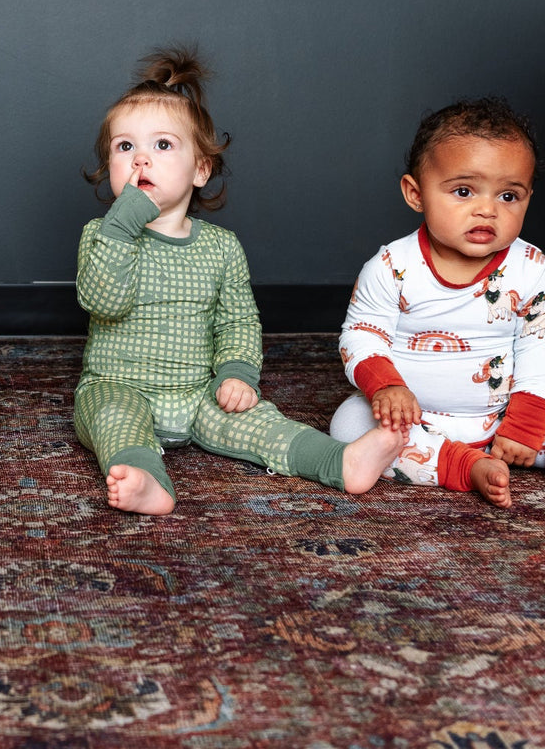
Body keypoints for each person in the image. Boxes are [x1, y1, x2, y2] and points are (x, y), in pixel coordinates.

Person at [75, 45, 404, 515]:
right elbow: (103, 301)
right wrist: (123, 222)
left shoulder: (221, 247)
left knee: (257, 421)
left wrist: (236, 374)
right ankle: (146, 478)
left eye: (162, 145)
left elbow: (238, 322)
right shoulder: (102, 234)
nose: (140, 159)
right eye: (124, 147)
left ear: (200, 169)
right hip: (117, 385)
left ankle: (338, 460)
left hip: (197, 391)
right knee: (113, 420)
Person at [330, 97, 543, 509]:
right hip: (414, 418)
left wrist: (526, 423)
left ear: (528, 197)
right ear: (416, 194)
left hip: (508, 416)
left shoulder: (532, 268)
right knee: (349, 425)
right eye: (464, 191)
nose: (487, 210)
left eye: (508, 196)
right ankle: (460, 465)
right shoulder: (392, 266)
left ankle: (510, 448)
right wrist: (387, 386)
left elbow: (540, 346)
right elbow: (361, 334)